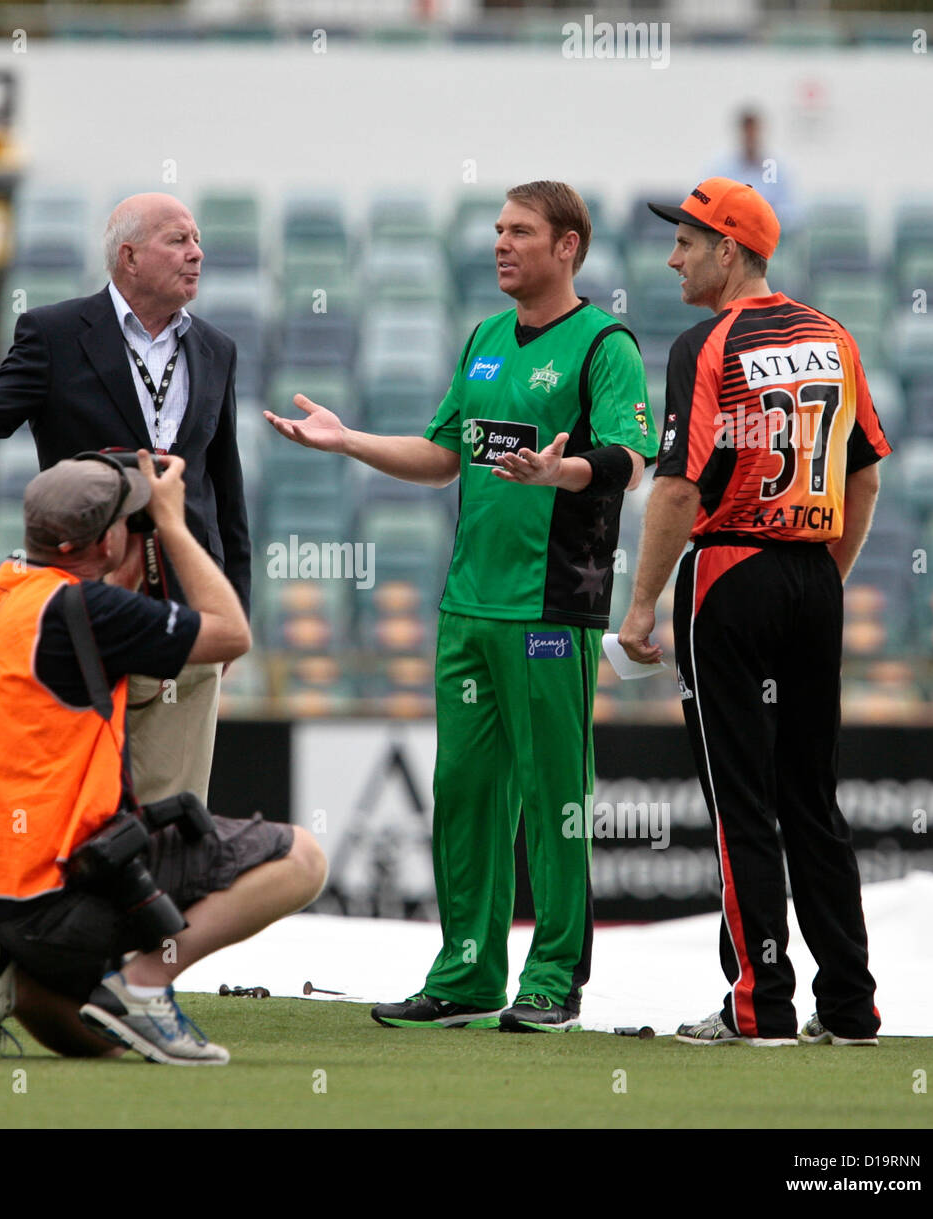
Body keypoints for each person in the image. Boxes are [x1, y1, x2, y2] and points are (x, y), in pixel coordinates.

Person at [265, 182, 659, 1032]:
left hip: (552, 610)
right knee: (464, 790)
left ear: (569, 246)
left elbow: (634, 456)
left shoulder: (604, 343)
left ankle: (552, 978)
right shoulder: (482, 337)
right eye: (497, 230)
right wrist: (348, 440)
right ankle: (469, 973)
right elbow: (443, 456)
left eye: (520, 231)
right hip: (468, 606)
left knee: (555, 791)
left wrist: (563, 472)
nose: (500, 244)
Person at [0, 452, 326, 1064]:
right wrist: (170, 524)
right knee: (302, 858)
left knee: (98, 1045)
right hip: (68, 888)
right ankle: (143, 986)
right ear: (106, 538)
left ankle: (2, 968)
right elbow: (231, 633)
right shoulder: (86, 611)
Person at [619, 177, 889, 1047]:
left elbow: (677, 486)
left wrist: (640, 608)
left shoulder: (707, 343)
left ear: (728, 250)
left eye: (688, 242)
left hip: (729, 572)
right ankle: (849, 1005)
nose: (674, 257)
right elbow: (865, 474)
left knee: (741, 800)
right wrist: (823, 575)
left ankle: (759, 1003)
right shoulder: (833, 334)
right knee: (813, 796)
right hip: (814, 576)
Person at [0, 192, 251, 808]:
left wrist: (237, 606)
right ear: (128, 256)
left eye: (198, 240)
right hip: (88, 607)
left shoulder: (216, 348)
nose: (197, 253)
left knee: (176, 814)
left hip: (187, 617)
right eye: (178, 240)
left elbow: (224, 494)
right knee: (81, 806)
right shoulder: (54, 333)